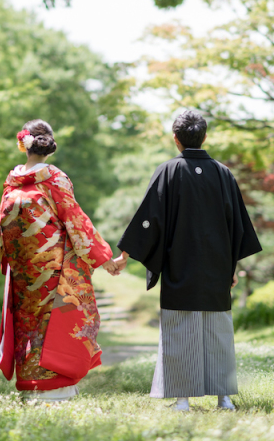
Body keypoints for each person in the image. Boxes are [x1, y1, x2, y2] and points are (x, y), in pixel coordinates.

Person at [104, 110, 262, 411]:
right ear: (205, 137)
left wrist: (125, 255)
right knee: (217, 329)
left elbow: (149, 220)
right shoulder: (223, 173)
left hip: (180, 265)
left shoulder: (168, 171)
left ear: (175, 139)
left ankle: (182, 399)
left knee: (180, 327)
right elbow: (237, 226)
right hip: (216, 267)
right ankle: (223, 398)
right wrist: (233, 267)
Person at [0, 119, 113, 402]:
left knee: (28, 324)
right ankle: (57, 390)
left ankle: (30, 385)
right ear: (48, 146)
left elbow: (3, 228)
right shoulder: (54, 178)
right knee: (54, 325)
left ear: (23, 145)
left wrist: (13, 261)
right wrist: (104, 258)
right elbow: (75, 221)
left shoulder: (12, 183)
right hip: (54, 268)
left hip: (24, 270)